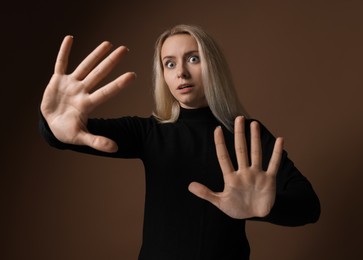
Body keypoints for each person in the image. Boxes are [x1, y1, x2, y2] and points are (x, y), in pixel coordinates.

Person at [39, 24, 320, 259]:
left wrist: (265, 208)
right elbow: (70, 135)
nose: (181, 73)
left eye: (193, 59)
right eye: (169, 64)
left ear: (214, 66)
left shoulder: (248, 134)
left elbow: (309, 206)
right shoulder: (149, 132)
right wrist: (52, 125)